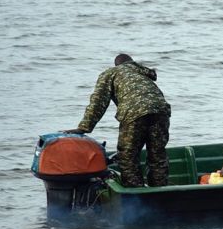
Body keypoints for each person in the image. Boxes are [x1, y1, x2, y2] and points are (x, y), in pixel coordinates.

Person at [65, 54, 171, 188]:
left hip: (134, 112)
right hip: (161, 111)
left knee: (127, 157)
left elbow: (98, 102)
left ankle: (136, 196)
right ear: (131, 63)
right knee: (158, 156)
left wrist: (84, 127)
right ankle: (160, 192)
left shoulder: (111, 73)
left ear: (117, 65)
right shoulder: (141, 72)